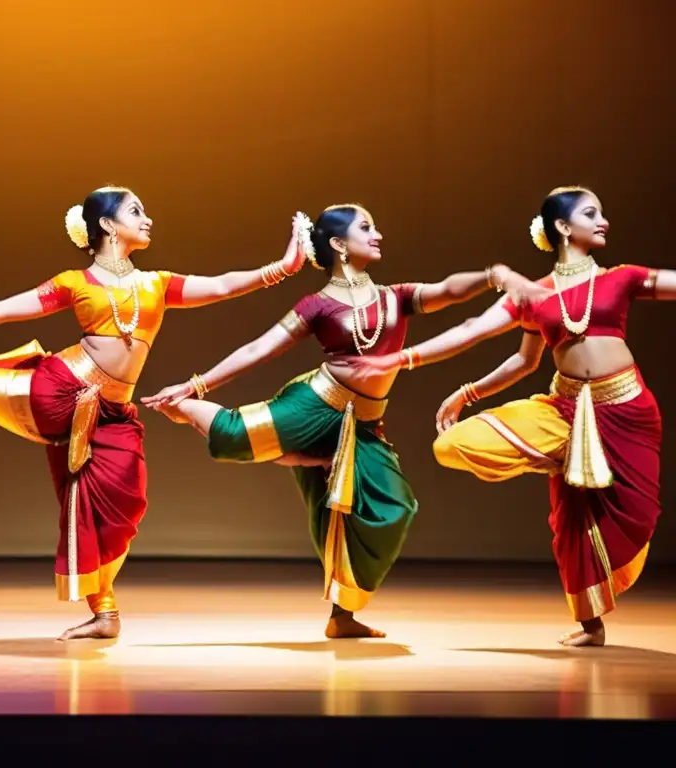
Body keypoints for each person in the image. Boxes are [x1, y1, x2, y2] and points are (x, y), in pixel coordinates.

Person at [0, 185, 308, 641]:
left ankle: (104, 615)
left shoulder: (157, 284)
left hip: (112, 413)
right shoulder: (75, 282)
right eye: (136, 211)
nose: (148, 220)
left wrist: (284, 268)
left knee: (123, 504)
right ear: (106, 224)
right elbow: (5, 312)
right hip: (61, 389)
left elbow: (222, 285)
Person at [140, 204, 544, 638]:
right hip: (317, 404)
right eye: (366, 228)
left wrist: (493, 275)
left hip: (365, 421)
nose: (378, 235)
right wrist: (196, 386)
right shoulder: (317, 305)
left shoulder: (396, 296)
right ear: (338, 245)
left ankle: (342, 616)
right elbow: (259, 349)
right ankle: (185, 408)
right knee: (235, 437)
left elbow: (448, 290)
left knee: (393, 507)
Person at [333, 186, 670, 647]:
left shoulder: (622, 278)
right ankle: (560, 455)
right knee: (451, 445)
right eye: (592, 213)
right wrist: (433, 376)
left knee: (611, 515)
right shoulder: (534, 294)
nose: (604, 220)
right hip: (565, 409)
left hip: (626, 411)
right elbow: (489, 341)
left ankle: (591, 624)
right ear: (563, 228)